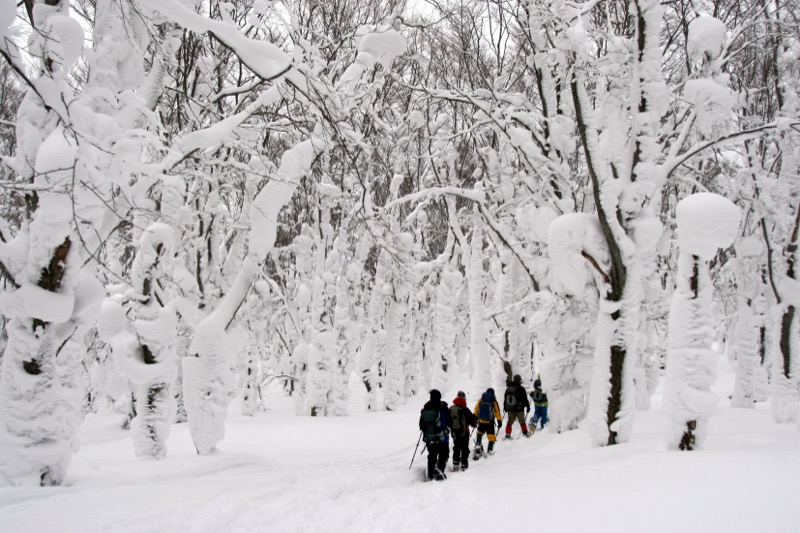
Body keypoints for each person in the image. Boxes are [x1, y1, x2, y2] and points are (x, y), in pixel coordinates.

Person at [419, 389, 453, 481]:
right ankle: (439, 470)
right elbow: (450, 422)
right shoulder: (443, 407)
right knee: (444, 453)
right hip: (442, 437)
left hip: (429, 438)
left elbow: (421, 425)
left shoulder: (426, 408)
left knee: (432, 455)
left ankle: (430, 475)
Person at [449, 391, 478, 471]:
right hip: (465, 432)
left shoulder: (451, 408)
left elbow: (449, 421)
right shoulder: (465, 409)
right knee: (464, 448)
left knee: (456, 446)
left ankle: (455, 462)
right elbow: (472, 422)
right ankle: (464, 464)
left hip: (454, 432)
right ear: (464, 398)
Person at [472, 388, 502, 460]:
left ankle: (478, 447)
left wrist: (474, 418)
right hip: (490, 422)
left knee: (479, 433)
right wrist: (499, 421)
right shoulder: (493, 401)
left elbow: (476, 410)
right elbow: (497, 411)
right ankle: (490, 450)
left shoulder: (481, 399)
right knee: (491, 437)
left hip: (481, 421)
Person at [503, 374, 531, 439]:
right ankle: (525, 432)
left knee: (509, 422)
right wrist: (527, 406)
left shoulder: (508, 389)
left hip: (510, 408)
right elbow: (525, 399)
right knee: (522, 421)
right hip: (519, 408)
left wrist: (505, 407)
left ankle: (507, 434)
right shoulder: (521, 389)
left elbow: (505, 398)